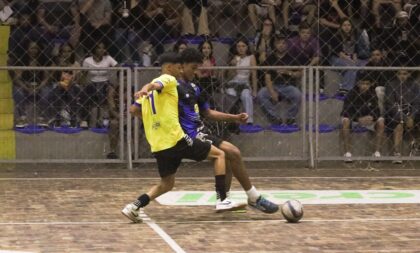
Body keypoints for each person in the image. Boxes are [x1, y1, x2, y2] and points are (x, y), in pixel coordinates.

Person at [121, 53, 233, 223]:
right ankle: (222, 199)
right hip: (176, 139)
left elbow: (133, 110)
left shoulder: (149, 96)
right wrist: (147, 87)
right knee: (220, 155)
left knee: (167, 184)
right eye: (178, 67)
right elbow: (156, 83)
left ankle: (135, 206)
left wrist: (154, 118)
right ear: (168, 68)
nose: (180, 71)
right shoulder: (168, 79)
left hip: (158, 145)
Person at [178, 48, 279, 213]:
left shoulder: (194, 87)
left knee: (230, 157)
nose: (195, 72)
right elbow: (155, 87)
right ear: (181, 67)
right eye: (193, 68)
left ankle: (224, 200)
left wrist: (235, 117)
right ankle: (253, 198)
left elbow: (208, 112)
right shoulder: (171, 86)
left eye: (198, 68)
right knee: (233, 152)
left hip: (199, 132)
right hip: (187, 136)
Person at [340, 71, 385, 162]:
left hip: (369, 120)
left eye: (367, 84)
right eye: (362, 83)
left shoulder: (372, 94)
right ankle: (348, 153)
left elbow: (377, 111)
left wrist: (372, 117)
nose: (364, 86)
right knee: (345, 121)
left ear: (371, 84)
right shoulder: (351, 94)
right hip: (354, 120)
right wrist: (358, 119)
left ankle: (376, 152)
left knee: (381, 122)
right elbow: (345, 111)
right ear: (358, 83)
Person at [257, 34, 302, 125]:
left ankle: (290, 118)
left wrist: (288, 72)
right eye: (278, 43)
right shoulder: (270, 58)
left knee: (297, 94)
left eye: (283, 43)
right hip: (273, 85)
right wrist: (272, 91)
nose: (281, 45)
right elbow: (267, 77)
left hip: (288, 86)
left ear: (287, 45)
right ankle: (274, 117)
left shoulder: (292, 58)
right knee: (261, 93)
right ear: (275, 45)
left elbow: (300, 73)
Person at [384, 69, 420, 164]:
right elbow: (390, 105)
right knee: (399, 124)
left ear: (409, 74)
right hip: (394, 114)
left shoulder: (415, 86)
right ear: (396, 74)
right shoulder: (390, 85)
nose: (402, 76)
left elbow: (417, 104)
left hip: (412, 114)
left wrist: (411, 117)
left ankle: (416, 148)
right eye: (400, 74)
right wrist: (405, 118)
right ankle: (397, 153)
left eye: (405, 74)